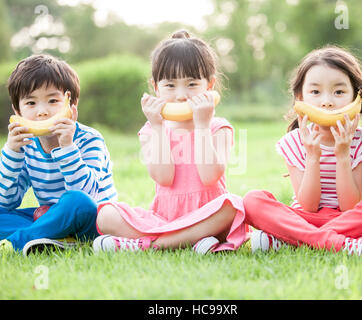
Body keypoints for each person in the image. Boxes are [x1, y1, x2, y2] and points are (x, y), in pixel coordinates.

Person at [93, 30, 247, 254]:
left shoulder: (218, 127)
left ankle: (150, 245)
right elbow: (163, 178)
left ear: (210, 85)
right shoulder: (151, 130)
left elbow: (210, 177)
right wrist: (157, 127)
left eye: (192, 84)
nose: (181, 95)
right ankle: (190, 242)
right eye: (170, 86)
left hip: (208, 217)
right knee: (106, 214)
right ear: (155, 87)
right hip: (164, 219)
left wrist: (202, 126)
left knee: (233, 206)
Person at [243, 46, 362, 257]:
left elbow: (349, 206)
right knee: (252, 200)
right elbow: (308, 206)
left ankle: (289, 240)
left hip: (346, 219)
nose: (326, 101)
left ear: (357, 96)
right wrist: (312, 156)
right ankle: (346, 245)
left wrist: (343, 154)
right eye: (315, 92)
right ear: (301, 97)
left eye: (338, 91)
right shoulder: (295, 141)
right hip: (303, 218)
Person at [0, 54, 117, 258]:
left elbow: (88, 197)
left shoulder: (90, 139)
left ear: (71, 106)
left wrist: (67, 147)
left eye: (53, 100)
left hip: (92, 220)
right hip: (49, 216)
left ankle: (10, 246)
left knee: (77, 201)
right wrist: (12, 153)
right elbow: (5, 202)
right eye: (30, 103)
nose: (42, 112)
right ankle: (57, 240)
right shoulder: (26, 144)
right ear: (17, 111)